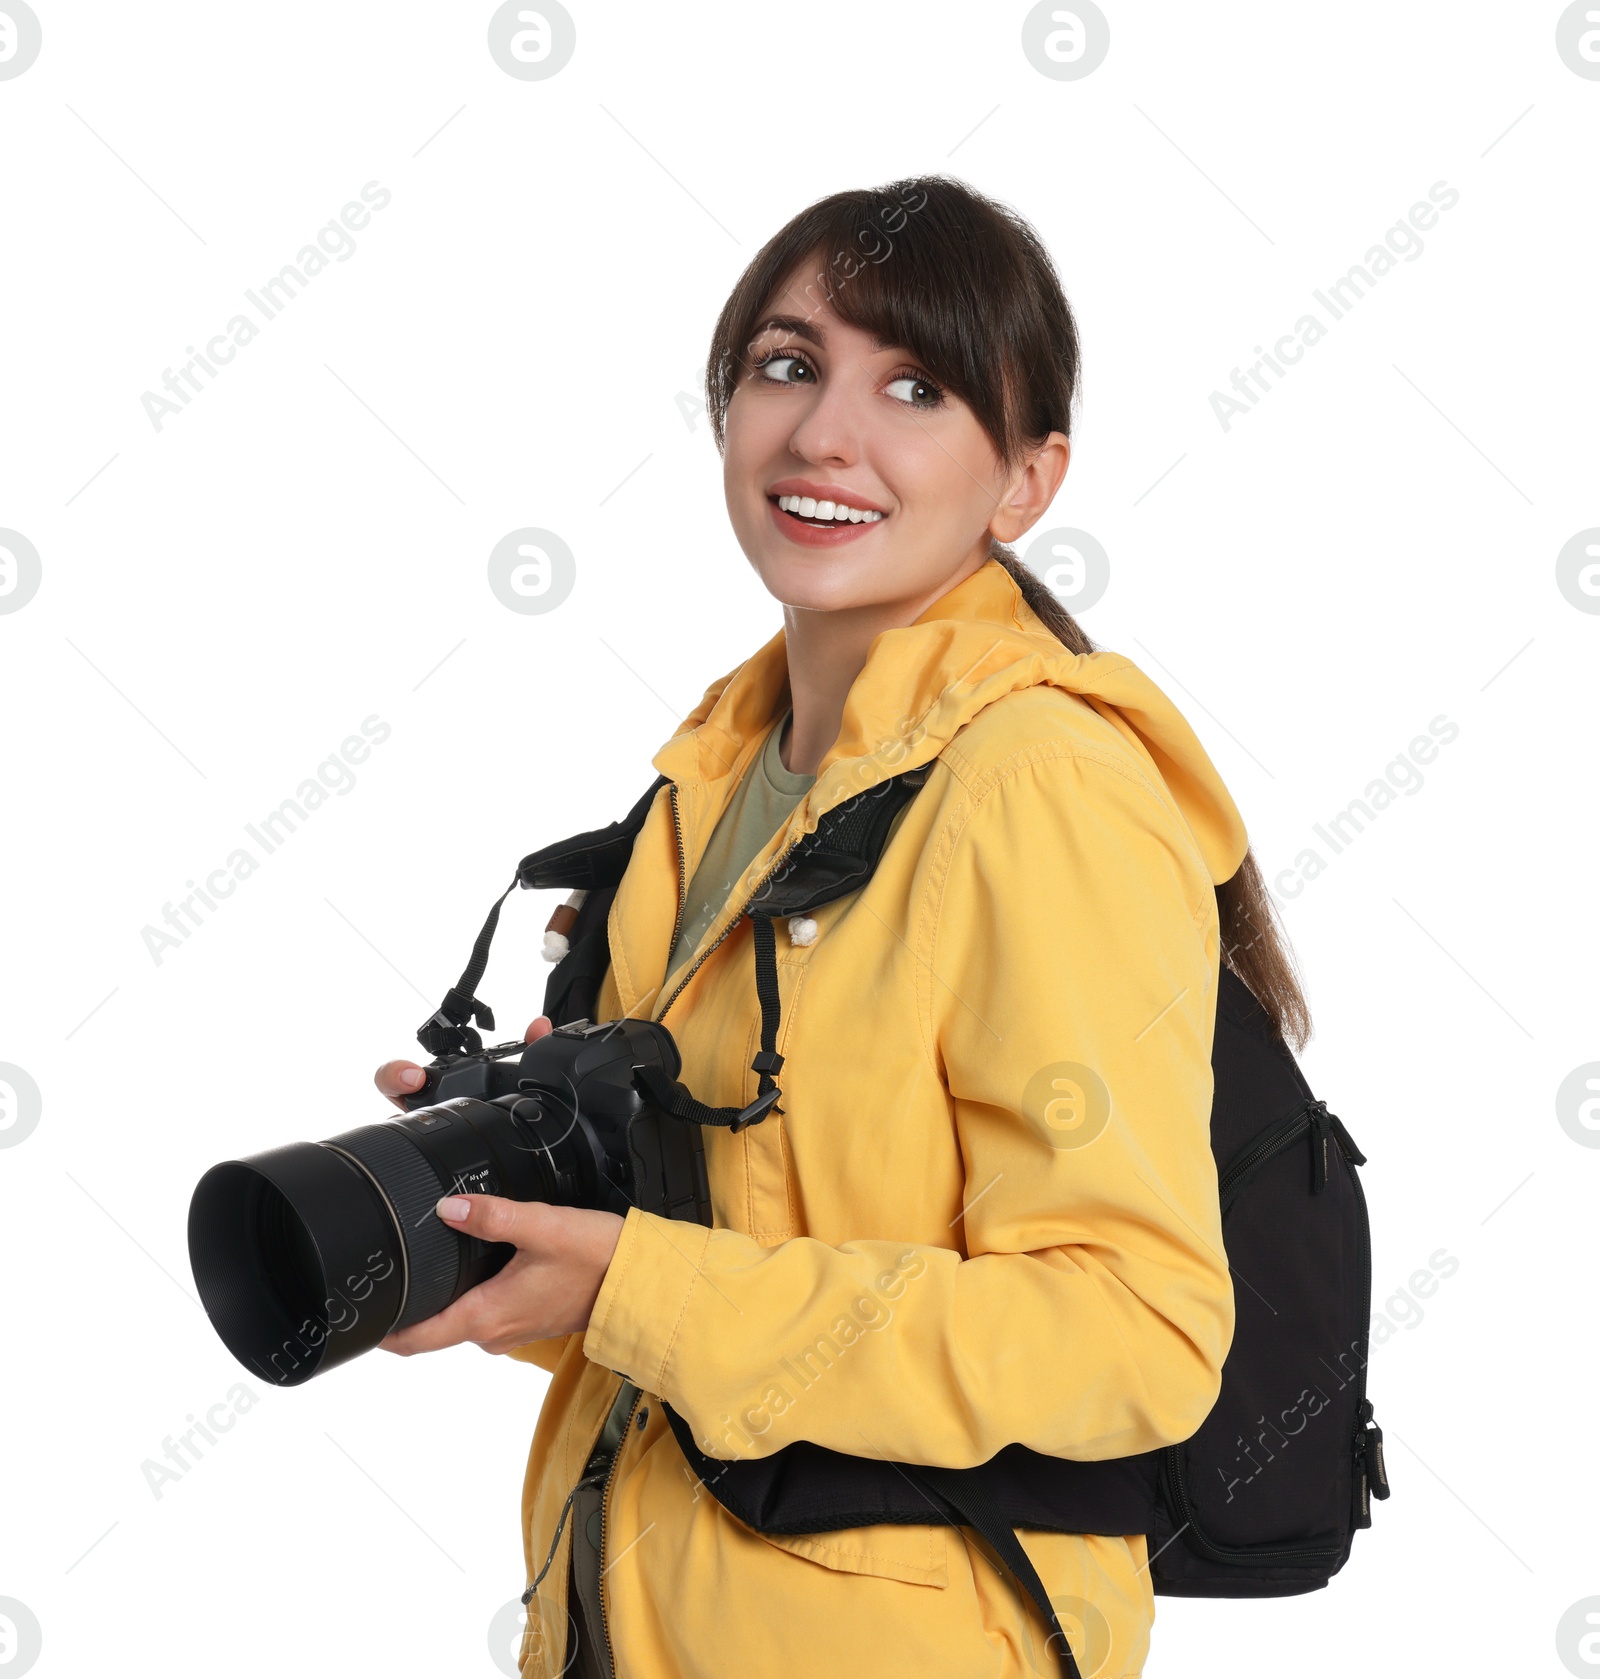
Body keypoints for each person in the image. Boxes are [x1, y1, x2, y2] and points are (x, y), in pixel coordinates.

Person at [373, 175, 1311, 1679]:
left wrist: (643, 1285)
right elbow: (733, 1285)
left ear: (1026, 480)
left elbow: (1134, 1337)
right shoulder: (713, 786)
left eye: (916, 387)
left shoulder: (1036, 784)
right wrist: (521, 1224)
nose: (824, 434)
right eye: (789, 366)